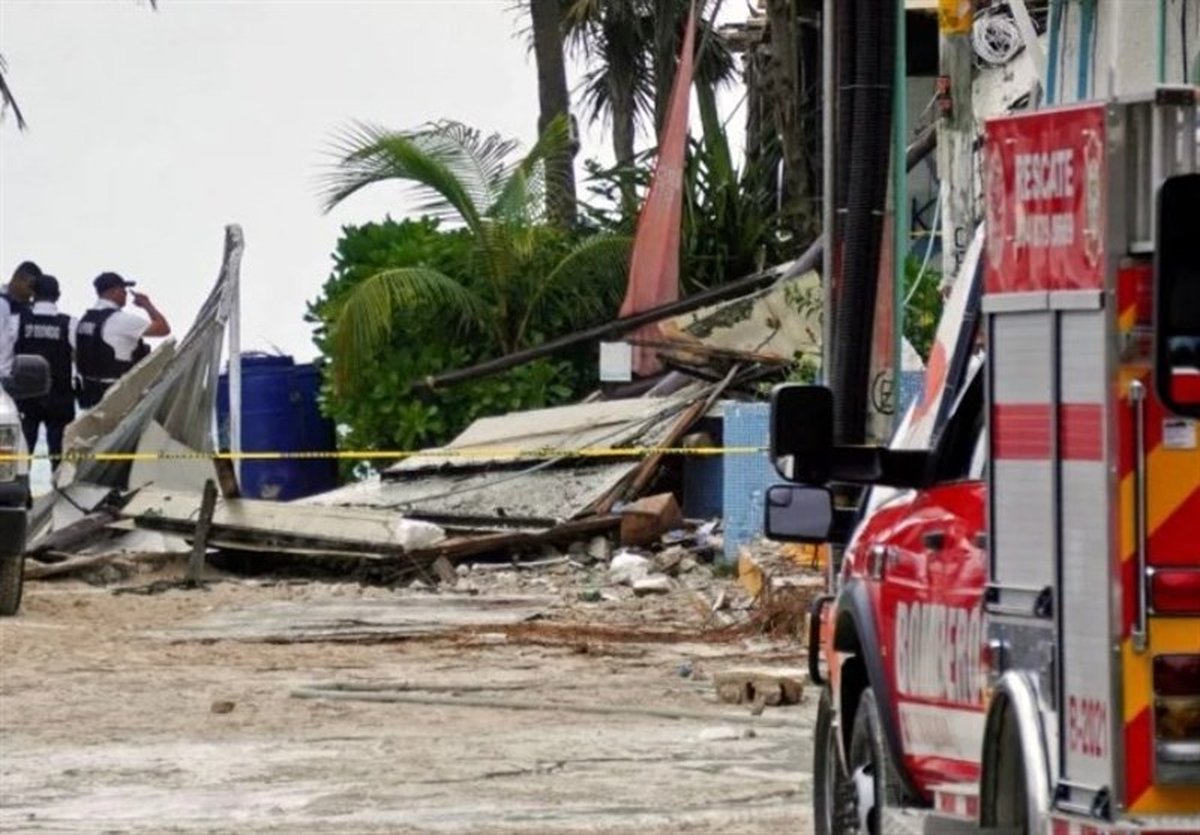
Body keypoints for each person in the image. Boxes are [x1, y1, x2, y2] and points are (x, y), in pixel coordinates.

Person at [75, 272, 170, 409]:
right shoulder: (121, 320)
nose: (126, 294)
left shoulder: (86, 319)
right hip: (116, 395)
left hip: (90, 393)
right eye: (123, 289)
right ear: (114, 291)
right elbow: (163, 329)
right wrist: (147, 305)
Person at [14, 275, 75, 469]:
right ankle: (58, 486)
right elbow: (80, 356)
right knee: (59, 454)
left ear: (33, 294)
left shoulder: (17, 321)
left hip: (25, 396)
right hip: (60, 395)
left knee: (23, 453)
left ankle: (23, 488)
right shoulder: (69, 323)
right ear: (58, 295)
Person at [1, 261, 40, 377]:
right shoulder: (3, 304)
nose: (33, 293)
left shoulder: (30, 309)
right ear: (18, 279)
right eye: (31, 286)